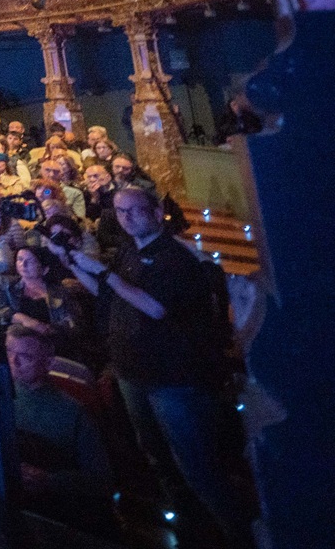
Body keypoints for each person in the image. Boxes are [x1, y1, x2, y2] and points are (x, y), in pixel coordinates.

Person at [61, 187, 252, 546]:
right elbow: (108, 292)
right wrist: (71, 261)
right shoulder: (131, 249)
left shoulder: (177, 257)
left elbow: (155, 308)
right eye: (120, 211)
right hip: (133, 373)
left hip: (174, 379)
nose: (127, 218)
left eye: (134, 210)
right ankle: (193, 525)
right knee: (158, 456)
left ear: (156, 211)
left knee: (198, 466)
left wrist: (103, 273)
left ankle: (241, 535)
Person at [0, 325, 113, 533]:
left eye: (25, 357)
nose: (13, 362)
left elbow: (100, 478)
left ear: (48, 363)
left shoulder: (72, 411)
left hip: (44, 505)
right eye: (8, 352)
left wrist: (49, 481)